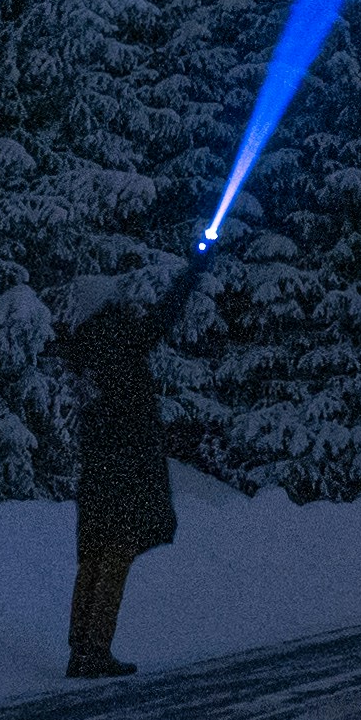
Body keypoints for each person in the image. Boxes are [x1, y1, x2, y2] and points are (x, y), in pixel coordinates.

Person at [58, 246, 211, 676]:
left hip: (96, 468)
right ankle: (97, 649)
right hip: (127, 465)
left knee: (93, 554)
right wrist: (195, 266)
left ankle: (80, 649)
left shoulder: (83, 349)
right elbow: (164, 316)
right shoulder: (120, 340)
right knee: (116, 554)